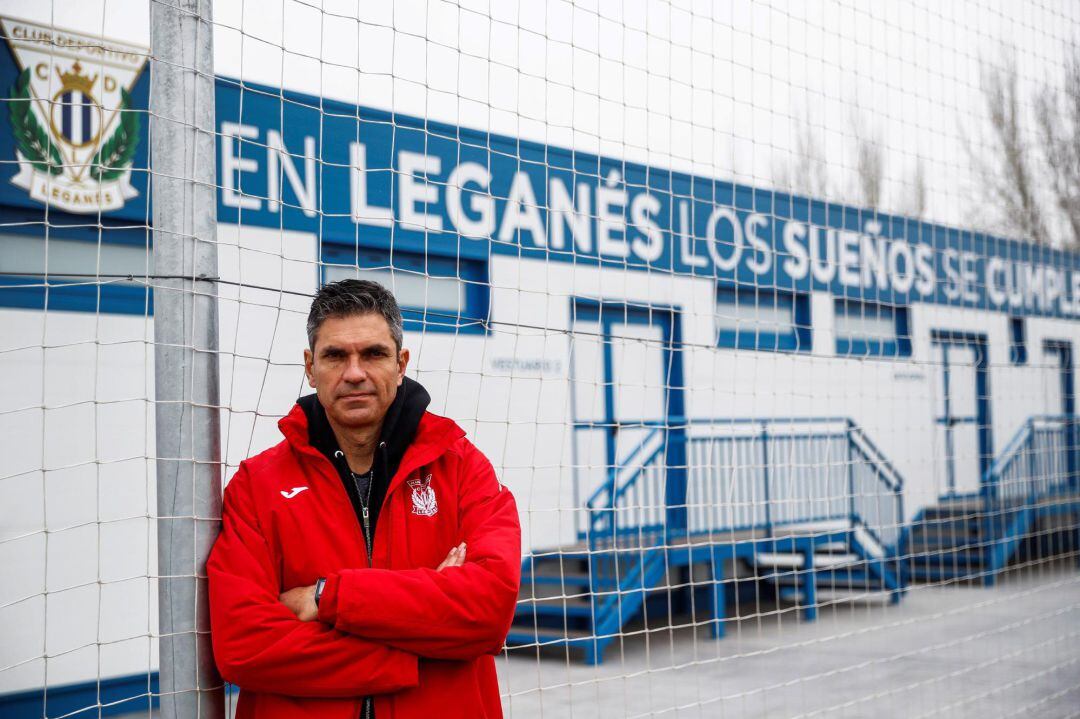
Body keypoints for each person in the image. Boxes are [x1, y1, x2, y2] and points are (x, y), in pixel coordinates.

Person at [207, 279, 521, 719]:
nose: (354, 373)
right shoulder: (257, 485)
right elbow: (244, 646)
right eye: (336, 355)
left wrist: (325, 597)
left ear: (400, 364)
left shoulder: (463, 469)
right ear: (310, 366)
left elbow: (488, 612)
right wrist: (417, 647)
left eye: (373, 353)